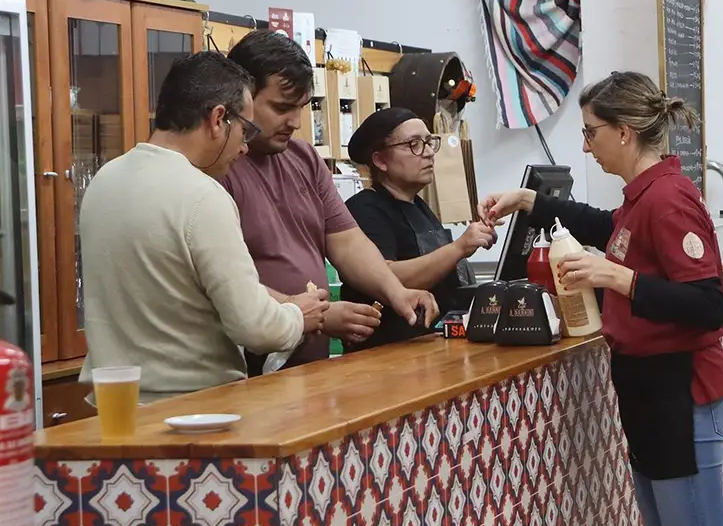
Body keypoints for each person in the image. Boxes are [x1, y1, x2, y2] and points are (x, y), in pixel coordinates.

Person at [480, 71, 723, 526]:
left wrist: (618, 277)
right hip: (647, 393)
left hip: (681, 392)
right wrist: (531, 201)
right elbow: (609, 227)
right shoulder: (642, 198)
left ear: (624, 132)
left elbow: (709, 306)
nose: (586, 145)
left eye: (590, 132)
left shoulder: (669, 199)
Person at [79, 52, 328, 402]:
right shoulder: (201, 195)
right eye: (244, 130)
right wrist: (298, 315)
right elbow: (255, 327)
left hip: (116, 404)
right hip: (193, 409)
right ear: (218, 119)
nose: (244, 148)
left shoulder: (106, 179)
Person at [223, 31, 439, 373]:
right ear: (242, 98)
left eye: (300, 107)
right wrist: (314, 316)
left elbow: (348, 242)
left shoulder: (304, 157)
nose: (295, 122)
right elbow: (224, 284)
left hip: (309, 368)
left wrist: (396, 292)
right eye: (281, 108)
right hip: (250, 370)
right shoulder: (220, 166)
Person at [340, 107, 497, 350]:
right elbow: (384, 276)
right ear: (380, 160)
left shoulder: (420, 207)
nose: (429, 153)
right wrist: (458, 248)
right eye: (413, 144)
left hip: (433, 345)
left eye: (429, 142)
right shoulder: (365, 209)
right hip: (390, 353)